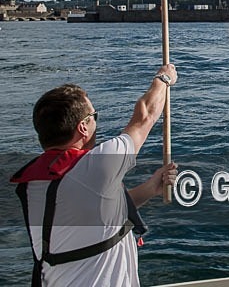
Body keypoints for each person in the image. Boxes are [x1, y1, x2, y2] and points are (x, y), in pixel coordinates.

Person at [11, 64, 179, 287]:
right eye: (94, 116)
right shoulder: (95, 167)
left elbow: (97, 212)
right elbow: (145, 115)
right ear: (83, 127)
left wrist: (151, 188)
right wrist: (164, 79)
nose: (96, 122)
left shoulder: (35, 182)